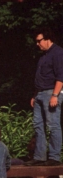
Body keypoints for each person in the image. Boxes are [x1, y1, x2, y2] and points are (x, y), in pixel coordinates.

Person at [25, 27, 63, 166]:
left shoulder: (58, 53)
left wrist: (55, 95)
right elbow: (41, 77)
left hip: (51, 92)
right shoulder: (43, 55)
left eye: (39, 40)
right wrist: (35, 95)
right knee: (38, 125)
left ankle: (54, 157)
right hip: (40, 93)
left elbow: (61, 76)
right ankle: (39, 156)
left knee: (53, 125)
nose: (37, 44)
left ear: (47, 39)